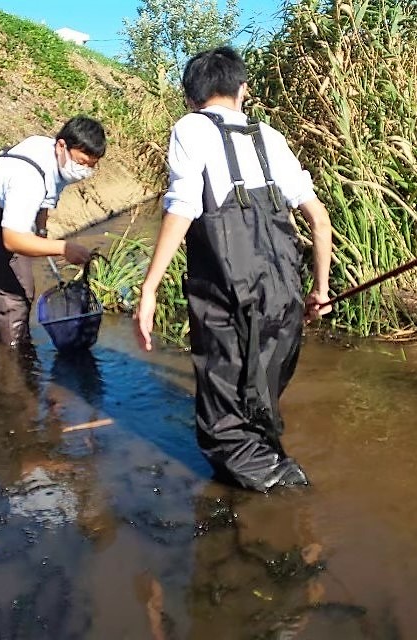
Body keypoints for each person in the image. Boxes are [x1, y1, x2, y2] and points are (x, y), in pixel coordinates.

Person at [135, 47, 333, 492]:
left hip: (227, 288)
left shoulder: (189, 128)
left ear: (191, 97)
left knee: (225, 403)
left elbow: (183, 206)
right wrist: (318, 289)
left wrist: (150, 288)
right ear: (243, 90)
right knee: (260, 389)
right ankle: (275, 480)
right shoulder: (270, 137)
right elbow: (319, 221)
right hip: (283, 288)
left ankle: (270, 490)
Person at [0, 116, 106, 346]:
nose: (84, 171)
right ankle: (15, 365)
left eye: (91, 166)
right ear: (62, 145)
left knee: (25, 287)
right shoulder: (29, 180)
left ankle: (17, 337)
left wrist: (41, 233)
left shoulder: (57, 160)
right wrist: (63, 248)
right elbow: (13, 240)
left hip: (8, 208)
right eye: (82, 162)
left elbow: (46, 200)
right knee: (11, 301)